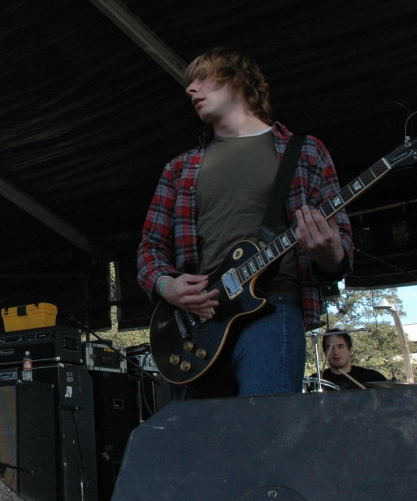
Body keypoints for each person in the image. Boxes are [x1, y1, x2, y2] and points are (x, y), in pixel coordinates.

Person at [137, 47, 354, 398]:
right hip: (202, 321)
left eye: (203, 79)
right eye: (189, 83)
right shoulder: (179, 168)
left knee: (263, 424)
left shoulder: (305, 151)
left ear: (237, 80)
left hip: (273, 305)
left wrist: (331, 253)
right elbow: (150, 248)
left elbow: (340, 246)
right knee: (203, 432)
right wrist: (166, 285)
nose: (190, 89)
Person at [318, 330, 387, 390]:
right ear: (325, 353)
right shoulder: (316, 380)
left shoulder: (372, 377)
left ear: (350, 351)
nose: (335, 352)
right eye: (330, 348)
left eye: (340, 347)